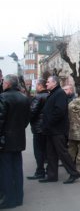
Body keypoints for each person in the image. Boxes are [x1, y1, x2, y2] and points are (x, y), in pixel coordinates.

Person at [40, 76, 80, 184]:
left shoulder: (59, 94)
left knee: (62, 153)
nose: (46, 84)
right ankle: (52, 175)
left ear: (55, 83)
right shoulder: (54, 93)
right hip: (51, 130)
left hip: (57, 130)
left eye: (48, 82)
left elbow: (59, 111)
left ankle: (74, 173)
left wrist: (49, 122)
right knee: (51, 153)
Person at [0, 74, 30, 209]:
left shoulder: (3, 97)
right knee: (17, 168)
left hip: (5, 140)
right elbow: (26, 120)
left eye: (3, 82)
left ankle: (9, 199)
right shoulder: (24, 98)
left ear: (7, 84)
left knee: (6, 170)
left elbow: (1, 120)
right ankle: (19, 197)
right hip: (18, 138)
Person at [27, 78, 49, 180]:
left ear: (40, 86)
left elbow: (32, 112)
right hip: (47, 127)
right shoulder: (50, 95)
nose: (36, 87)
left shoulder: (38, 97)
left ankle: (40, 171)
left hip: (38, 128)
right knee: (47, 150)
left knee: (38, 151)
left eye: (36, 85)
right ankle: (49, 170)